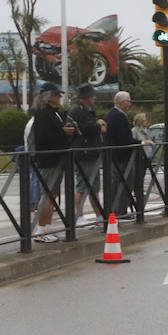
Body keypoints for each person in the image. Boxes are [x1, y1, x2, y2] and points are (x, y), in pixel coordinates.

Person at [30, 82, 77, 243]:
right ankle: (41, 228)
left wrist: (65, 132)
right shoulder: (43, 114)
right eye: (57, 95)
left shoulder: (53, 113)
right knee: (47, 194)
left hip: (57, 158)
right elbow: (44, 138)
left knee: (53, 194)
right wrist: (62, 132)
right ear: (49, 97)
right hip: (48, 159)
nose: (60, 97)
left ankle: (47, 226)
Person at [68, 83, 105, 226]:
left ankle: (99, 215)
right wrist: (98, 125)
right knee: (82, 186)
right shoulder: (78, 111)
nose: (94, 98)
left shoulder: (85, 110)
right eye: (92, 96)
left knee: (94, 186)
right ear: (86, 98)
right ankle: (78, 216)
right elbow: (86, 128)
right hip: (85, 153)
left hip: (91, 152)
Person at [103, 90, 135, 217]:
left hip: (114, 155)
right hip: (121, 156)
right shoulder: (119, 116)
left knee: (116, 184)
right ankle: (120, 211)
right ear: (121, 102)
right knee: (124, 183)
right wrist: (141, 142)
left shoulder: (110, 115)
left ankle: (115, 210)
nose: (130, 104)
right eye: (128, 101)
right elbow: (124, 138)